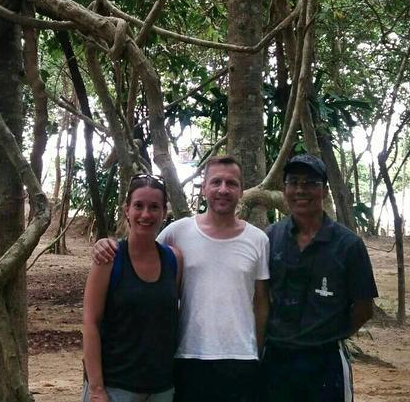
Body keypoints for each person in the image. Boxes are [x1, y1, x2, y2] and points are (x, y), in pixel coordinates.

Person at [93, 156, 270, 402]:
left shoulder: (258, 240)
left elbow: (261, 302)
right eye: (216, 181)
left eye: (231, 183)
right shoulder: (178, 233)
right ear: (204, 186)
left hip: (241, 358)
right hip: (188, 357)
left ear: (241, 190)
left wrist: (257, 350)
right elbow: (142, 249)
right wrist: (105, 244)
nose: (223, 189)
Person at [262, 153, 379, 402]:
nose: (300, 190)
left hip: (325, 363)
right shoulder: (270, 238)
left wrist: (327, 334)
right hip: (275, 359)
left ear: (324, 191)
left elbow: (364, 307)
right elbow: (259, 296)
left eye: (310, 183)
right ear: (284, 190)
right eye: (293, 182)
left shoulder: (349, 245)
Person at [82, 174, 183, 402]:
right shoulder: (109, 258)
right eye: (139, 206)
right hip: (115, 386)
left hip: (161, 387)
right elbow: (90, 322)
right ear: (127, 209)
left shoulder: (173, 259)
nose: (146, 214)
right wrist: (97, 389)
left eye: (154, 207)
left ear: (164, 211)